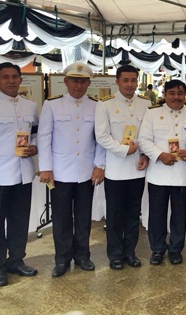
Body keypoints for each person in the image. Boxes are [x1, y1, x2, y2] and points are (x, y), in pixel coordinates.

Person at [38, 62, 106, 277]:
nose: (79, 85)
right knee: (62, 218)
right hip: (60, 173)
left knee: (83, 216)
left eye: (83, 80)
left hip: (86, 172)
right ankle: (62, 259)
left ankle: (83, 256)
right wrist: (46, 168)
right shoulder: (52, 105)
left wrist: (99, 165)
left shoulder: (97, 106)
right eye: (75, 80)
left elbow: (100, 140)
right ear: (65, 81)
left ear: (89, 82)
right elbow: (44, 138)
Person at [94, 65, 150, 270]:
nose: (130, 84)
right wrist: (122, 150)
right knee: (115, 215)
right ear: (117, 82)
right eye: (125, 80)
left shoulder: (145, 103)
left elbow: (147, 134)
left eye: (133, 80)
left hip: (137, 167)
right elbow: (101, 136)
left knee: (134, 214)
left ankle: (130, 252)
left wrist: (144, 153)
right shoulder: (105, 104)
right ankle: (115, 255)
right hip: (116, 169)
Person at [138, 80, 186, 266]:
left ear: (185, 95)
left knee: (180, 215)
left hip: (182, 173)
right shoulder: (153, 113)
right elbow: (143, 140)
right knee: (157, 214)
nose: (176, 97)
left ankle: (175, 250)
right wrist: (159, 155)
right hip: (159, 173)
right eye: (171, 93)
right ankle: (157, 250)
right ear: (164, 94)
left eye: (180, 93)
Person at [0, 63, 39, 287]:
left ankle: (16, 260)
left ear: (20, 79)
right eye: (5, 77)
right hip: (1, 173)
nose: (11, 81)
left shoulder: (30, 105)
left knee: (19, 220)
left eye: (15, 76)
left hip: (23, 173)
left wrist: (34, 148)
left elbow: (34, 133)